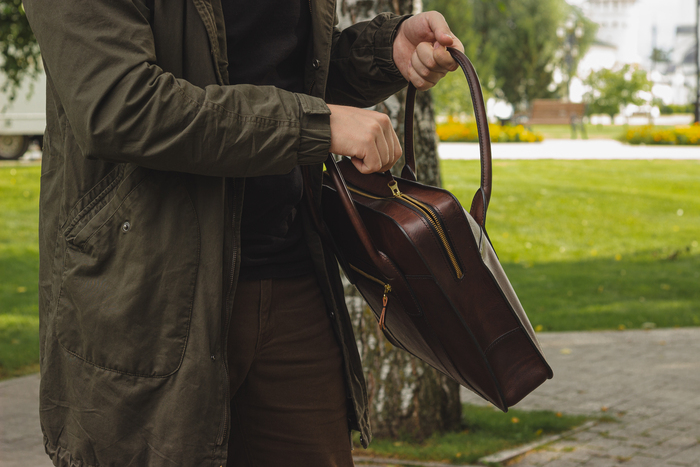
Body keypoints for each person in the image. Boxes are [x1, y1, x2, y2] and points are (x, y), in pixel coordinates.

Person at [23, 1, 463, 466]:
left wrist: (383, 51)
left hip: (293, 287)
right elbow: (119, 104)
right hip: (146, 297)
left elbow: (279, 72)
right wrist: (314, 125)